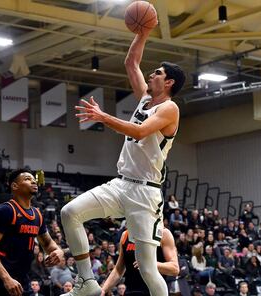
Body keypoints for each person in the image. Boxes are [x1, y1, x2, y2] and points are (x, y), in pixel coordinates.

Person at [60, 20, 185, 295]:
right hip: (121, 184)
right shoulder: (144, 99)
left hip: (145, 193)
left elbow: (140, 132)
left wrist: (103, 117)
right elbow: (131, 62)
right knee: (69, 213)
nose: (152, 75)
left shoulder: (170, 108)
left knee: (147, 267)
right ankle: (86, 283)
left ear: (169, 82)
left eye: (158, 73)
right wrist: (144, 33)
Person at [0, 169, 64, 296]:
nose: (33, 182)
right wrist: (6, 278)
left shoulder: (37, 214)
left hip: (23, 279)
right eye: (27, 179)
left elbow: (47, 243)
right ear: (14, 186)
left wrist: (58, 251)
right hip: (1, 281)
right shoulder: (6, 210)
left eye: (33, 180)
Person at [101, 228, 178, 295]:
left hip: (154, 292)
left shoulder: (163, 233)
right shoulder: (126, 235)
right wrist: (103, 290)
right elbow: (118, 270)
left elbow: (174, 268)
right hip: (130, 291)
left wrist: (149, 264)